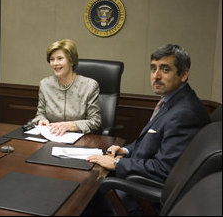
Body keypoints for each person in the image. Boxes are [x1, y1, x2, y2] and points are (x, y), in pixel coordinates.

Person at [85, 44, 210, 215]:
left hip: (141, 195)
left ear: (184, 74)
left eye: (165, 69)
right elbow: (148, 140)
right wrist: (125, 150)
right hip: (136, 177)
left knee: (83, 196)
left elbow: (163, 169)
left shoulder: (185, 113)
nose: (156, 76)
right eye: (153, 69)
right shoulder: (172, 102)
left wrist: (117, 163)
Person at [31, 39, 102, 135]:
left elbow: (95, 122)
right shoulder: (45, 84)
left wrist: (71, 125)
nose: (55, 63)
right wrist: (41, 120)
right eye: (52, 59)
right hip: (52, 136)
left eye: (60, 58)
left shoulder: (89, 85)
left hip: (80, 139)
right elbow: (40, 114)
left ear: (72, 61)